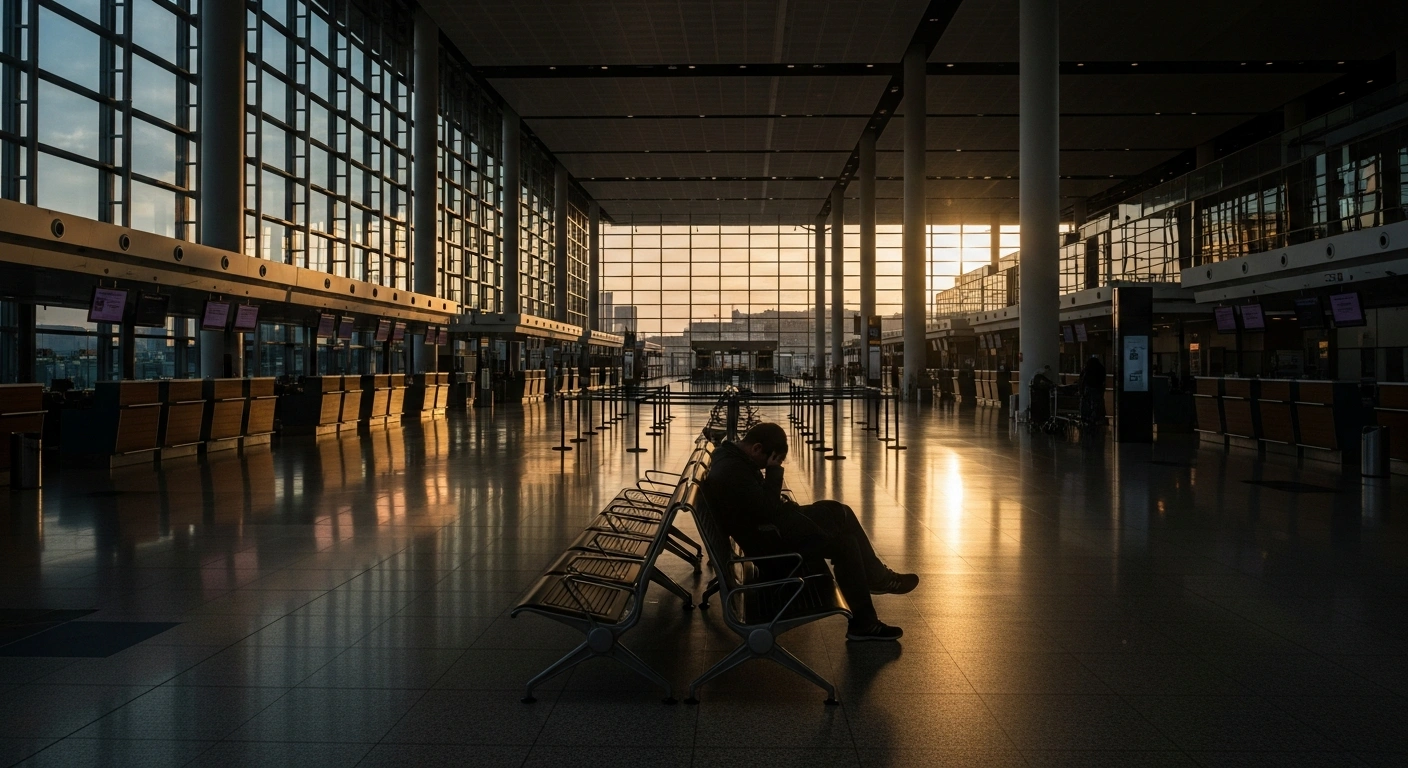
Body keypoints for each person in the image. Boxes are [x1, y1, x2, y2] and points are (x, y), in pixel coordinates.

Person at [702, 422, 919, 641]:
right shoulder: (733, 470)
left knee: (846, 540)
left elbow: (761, 507)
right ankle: (877, 581)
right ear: (757, 448)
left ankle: (865, 622)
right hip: (773, 549)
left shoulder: (729, 458)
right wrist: (774, 472)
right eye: (769, 461)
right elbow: (767, 510)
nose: (765, 468)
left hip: (767, 537)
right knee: (839, 513)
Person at [1079, 354, 1106, 426]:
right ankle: (1095, 418)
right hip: (1097, 388)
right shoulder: (1101, 368)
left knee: (1087, 403)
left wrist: (1081, 390)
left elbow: (1082, 379)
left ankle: (1087, 418)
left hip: (1088, 388)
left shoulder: (1087, 369)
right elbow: (1103, 379)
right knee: (1096, 404)